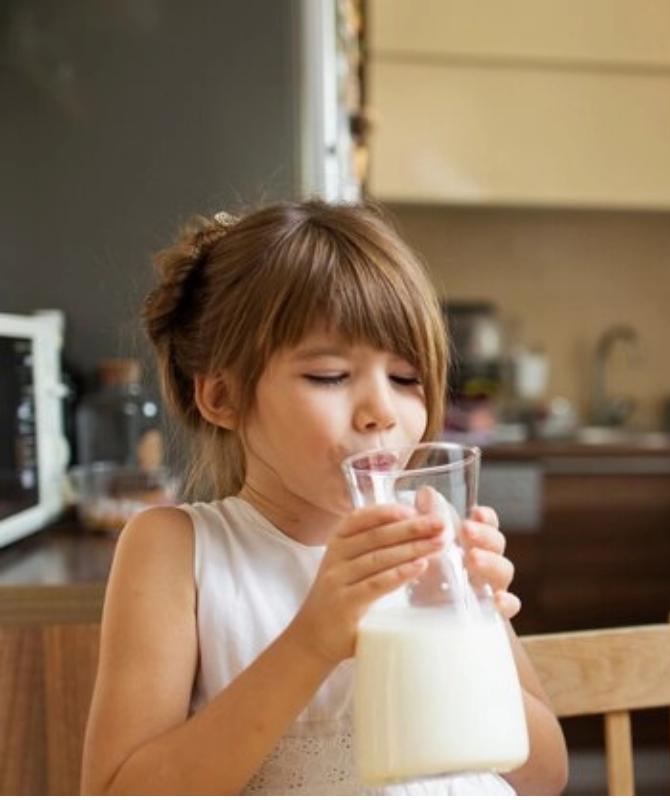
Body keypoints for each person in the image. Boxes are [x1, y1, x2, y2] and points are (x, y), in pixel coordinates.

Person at [80, 200, 568, 795]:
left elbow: (543, 775)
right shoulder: (177, 552)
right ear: (222, 398)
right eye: (330, 377)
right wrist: (312, 640)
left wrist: (462, 618)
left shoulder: (431, 529)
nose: (382, 412)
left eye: (407, 378)